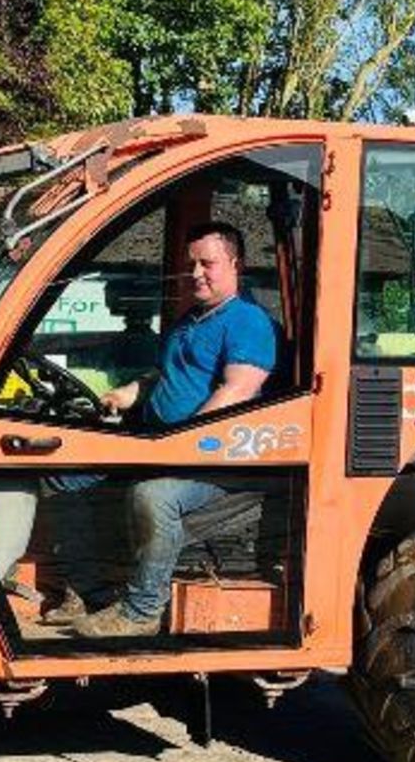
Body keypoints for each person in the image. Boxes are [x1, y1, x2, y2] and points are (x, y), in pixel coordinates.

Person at [61, 220, 278, 638]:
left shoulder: (247, 321)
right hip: (160, 446)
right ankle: (86, 589)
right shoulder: (189, 320)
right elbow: (162, 376)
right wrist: (125, 394)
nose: (196, 272)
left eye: (207, 264)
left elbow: (239, 389)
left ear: (236, 264)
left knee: (153, 496)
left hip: (215, 460)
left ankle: (142, 611)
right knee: (64, 475)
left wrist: (184, 440)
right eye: (191, 264)